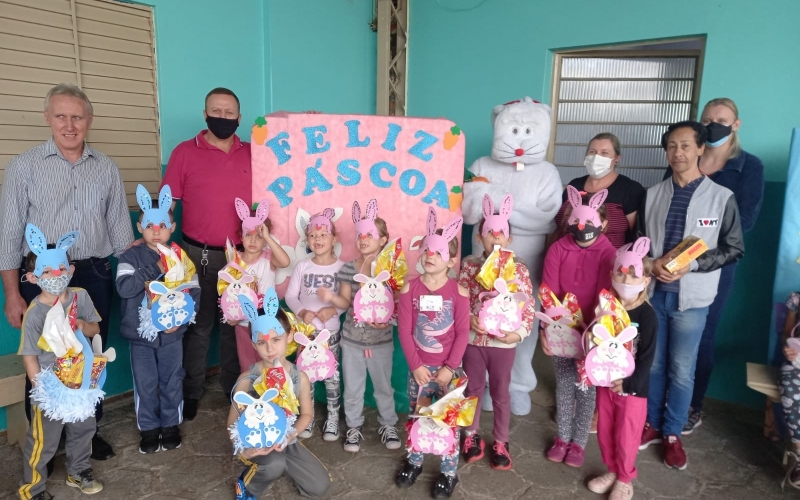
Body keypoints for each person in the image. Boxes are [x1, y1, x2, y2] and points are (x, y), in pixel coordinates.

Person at [0, 83, 133, 461]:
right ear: (48, 118)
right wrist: (12, 294)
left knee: (89, 356)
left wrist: (143, 280)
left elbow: (123, 236)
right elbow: (8, 237)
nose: (69, 124)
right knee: (45, 360)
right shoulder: (23, 167)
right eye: (61, 116)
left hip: (92, 275)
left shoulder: (106, 167)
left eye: (77, 116)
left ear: (89, 120)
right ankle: (46, 444)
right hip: (39, 282)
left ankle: (86, 437)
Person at [637, 121, 744, 470]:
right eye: (671, 146)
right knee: (652, 366)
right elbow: (638, 246)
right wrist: (651, 264)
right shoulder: (652, 194)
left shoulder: (721, 197)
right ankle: (651, 425)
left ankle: (672, 434)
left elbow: (734, 249)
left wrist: (694, 265)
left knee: (682, 371)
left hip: (692, 301)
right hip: (653, 296)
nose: (677, 153)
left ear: (700, 149)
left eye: (685, 145)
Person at [668, 99, 764, 434]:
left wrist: (697, 248)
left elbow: (745, 222)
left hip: (715, 265)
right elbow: (668, 207)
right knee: (666, 327)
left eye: (722, 120)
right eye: (707, 120)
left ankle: (693, 405)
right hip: (671, 261)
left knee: (702, 334)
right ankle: (666, 401)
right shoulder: (685, 157)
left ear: (736, 124)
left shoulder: (747, 167)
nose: (714, 125)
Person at [161, 87, 252, 420]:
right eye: (216, 111)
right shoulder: (185, 152)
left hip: (242, 259)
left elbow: (293, 164)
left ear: (239, 118)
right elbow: (166, 206)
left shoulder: (254, 153)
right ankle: (192, 392)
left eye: (229, 113)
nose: (223, 118)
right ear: (205, 114)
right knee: (198, 327)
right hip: (196, 255)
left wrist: (305, 125)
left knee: (235, 327)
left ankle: (235, 390)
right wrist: (156, 241)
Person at [18, 227, 104, 498]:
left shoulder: (81, 296)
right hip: (51, 387)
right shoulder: (34, 313)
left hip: (81, 382)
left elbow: (96, 329)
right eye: (46, 271)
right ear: (33, 277)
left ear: (71, 268)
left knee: (84, 428)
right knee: (44, 440)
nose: (55, 275)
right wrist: (40, 388)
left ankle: (78, 471)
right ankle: (32, 489)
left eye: (60, 268)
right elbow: (29, 354)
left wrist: (82, 325)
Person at [116, 185, 201, 454]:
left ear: (172, 227)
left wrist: (182, 322)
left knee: (172, 379)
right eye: (149, 225)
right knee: (146, 383)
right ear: (140, 226)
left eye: (162, 225)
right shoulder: (129, 256)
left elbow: (194, 293)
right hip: (140, 338)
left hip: (172, 334)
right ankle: (149, 428)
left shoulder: (182, 258)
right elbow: (125, 288)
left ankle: (170, 425)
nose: (156, 230)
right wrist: (156, 267)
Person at [395, 209, 470, 499]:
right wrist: (415, 366)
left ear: (451, 260)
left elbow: (463, 333)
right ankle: (414, 461)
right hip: (420, 370)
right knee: (418, 415)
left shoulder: (459, 293)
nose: (430, 255)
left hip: (449, 372)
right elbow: (404, 330)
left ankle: (448, 471)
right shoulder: (409, 288)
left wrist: (450, 368)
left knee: (448, 419)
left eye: (438, 253)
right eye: (426, 250)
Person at [458, 194, 536, 470]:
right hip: (473, 343)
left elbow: (527, 307)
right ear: (479, 237)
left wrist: (518, 334)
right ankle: (471, 435)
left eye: (501, 233)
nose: (495, 238)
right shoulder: (469, 266)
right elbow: (461, 298)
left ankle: (501, 440)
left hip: (503, 344)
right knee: (473, 389)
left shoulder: (519, 270)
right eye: (489, 233)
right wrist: (468, 318)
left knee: (502, 391)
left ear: (509, 239)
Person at [228, 292, 331, 500]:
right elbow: (232, 423)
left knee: (320, 486)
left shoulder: (298, 377)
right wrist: (246, 450)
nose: (270, 349)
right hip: (255, 442)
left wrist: (291, 435)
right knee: (274, 463)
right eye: (261, 343)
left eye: (276, 339)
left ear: (289, 335)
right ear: (254, 344)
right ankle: (247, 485)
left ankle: (280, 465)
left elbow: (307, 415)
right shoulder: (248, 377)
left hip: (285, 438)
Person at [541, 186, 616, 468]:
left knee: (586, 388)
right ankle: (562, 438)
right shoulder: (558, 249)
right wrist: (547, 331)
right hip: (563, 331)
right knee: (564, 383)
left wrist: (596, 335)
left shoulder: (609, 253)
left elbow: (606, 296)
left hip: (594, 333)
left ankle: (579, 443)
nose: (582, 225)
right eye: (577, 219)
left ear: (604, 223)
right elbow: (549, 291)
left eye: (591, 219)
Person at [318, 199, 401, 453]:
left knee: (384, 387)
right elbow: (344, 301)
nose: (363, 239)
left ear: (383, 238)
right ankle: (353, 426)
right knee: (353, 388)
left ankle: (388, 424)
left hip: (381, 340)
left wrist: (389, 318)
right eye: (359, 235)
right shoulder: (347, 269)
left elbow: (396, 302)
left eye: (369, 235)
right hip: (352, 340)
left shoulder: (391, 270)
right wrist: (332, 298)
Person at [587, 237, 658, 500]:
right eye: (621, 275)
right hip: (606, 385)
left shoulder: (648, 317)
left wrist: (629, 383)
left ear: (646, 280)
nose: (626, 282)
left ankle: (626, 478)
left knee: (627, 436)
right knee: (605, 430)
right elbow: (595, 342)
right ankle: (612, 470)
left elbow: (647, 358)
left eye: (633, 276)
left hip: (632, 390)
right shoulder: (605, 310)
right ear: (612, 274)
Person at [285, 209, 345, 441]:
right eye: (312, 236)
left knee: (332, 376)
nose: (317, 240)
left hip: (330, 334)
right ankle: (306, 417)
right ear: (307, 240)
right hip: (305, 334)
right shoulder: (303, 266)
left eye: (323, 235)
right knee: (305, 377)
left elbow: (346, 300)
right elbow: (291, 296)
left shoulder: (341, 268)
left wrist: (334, 309)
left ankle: (332, 417)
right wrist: (301, 311)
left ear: (334, 239)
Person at [551, 133, 646, 249]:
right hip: (565, 258)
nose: (597, 157)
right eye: (592, 152)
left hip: (608, 262)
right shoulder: (574, 185)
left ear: (617, 158)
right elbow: (558, 228)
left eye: (604, 153)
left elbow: (637, 235)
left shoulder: (630, 189)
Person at [230, 198, 290, 372]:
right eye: (248, 234)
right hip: (243, 323)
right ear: (241, 236)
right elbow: (227, 291)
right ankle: (253, 398)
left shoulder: (268, 257)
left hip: (269, 323)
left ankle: (274, 396)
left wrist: (268, 238)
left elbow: (285, 262)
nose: (253, 240)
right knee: (248, 365)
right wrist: (230, 315)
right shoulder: (235, 260)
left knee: (272, 364)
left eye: (259, 236)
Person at [780, 292, 800, 488]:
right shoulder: (796, 299)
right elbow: (786, 335)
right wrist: (788, 348)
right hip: (797, 365)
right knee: (791, 391)